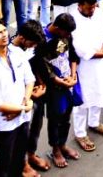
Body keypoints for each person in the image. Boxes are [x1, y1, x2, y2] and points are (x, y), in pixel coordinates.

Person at [0, 18, 36, 177]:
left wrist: (26, 101)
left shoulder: (17, 53)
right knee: (2, 167)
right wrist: (25, 107)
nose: (4, 35)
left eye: (4, 30)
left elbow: (29, 79)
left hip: (23, 119)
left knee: (18, 161)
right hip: (5, 126)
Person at [70, 0, 103, 152]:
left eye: (94, 7)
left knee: (100, 93)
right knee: (83, 101)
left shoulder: (98, 13)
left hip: (102, 62)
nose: (92, 10)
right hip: (85, 66)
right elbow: (77, 47)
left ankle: (94, 122)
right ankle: (80, 133)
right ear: (80, 6)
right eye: (89, 8)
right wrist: (97, 54)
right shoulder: (73, 20)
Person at [32, 13, 80, 167]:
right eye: (66, 33)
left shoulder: (65, 36)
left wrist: (73, 75)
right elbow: (42, 67)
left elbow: (72, 54)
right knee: (55, 118)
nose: (68, 36)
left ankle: (63, 144)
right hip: (53, 88)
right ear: (57, 28)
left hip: (68, 81)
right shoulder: (41, 40)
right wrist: (59, 82)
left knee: (66, 116)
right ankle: (55, 149)